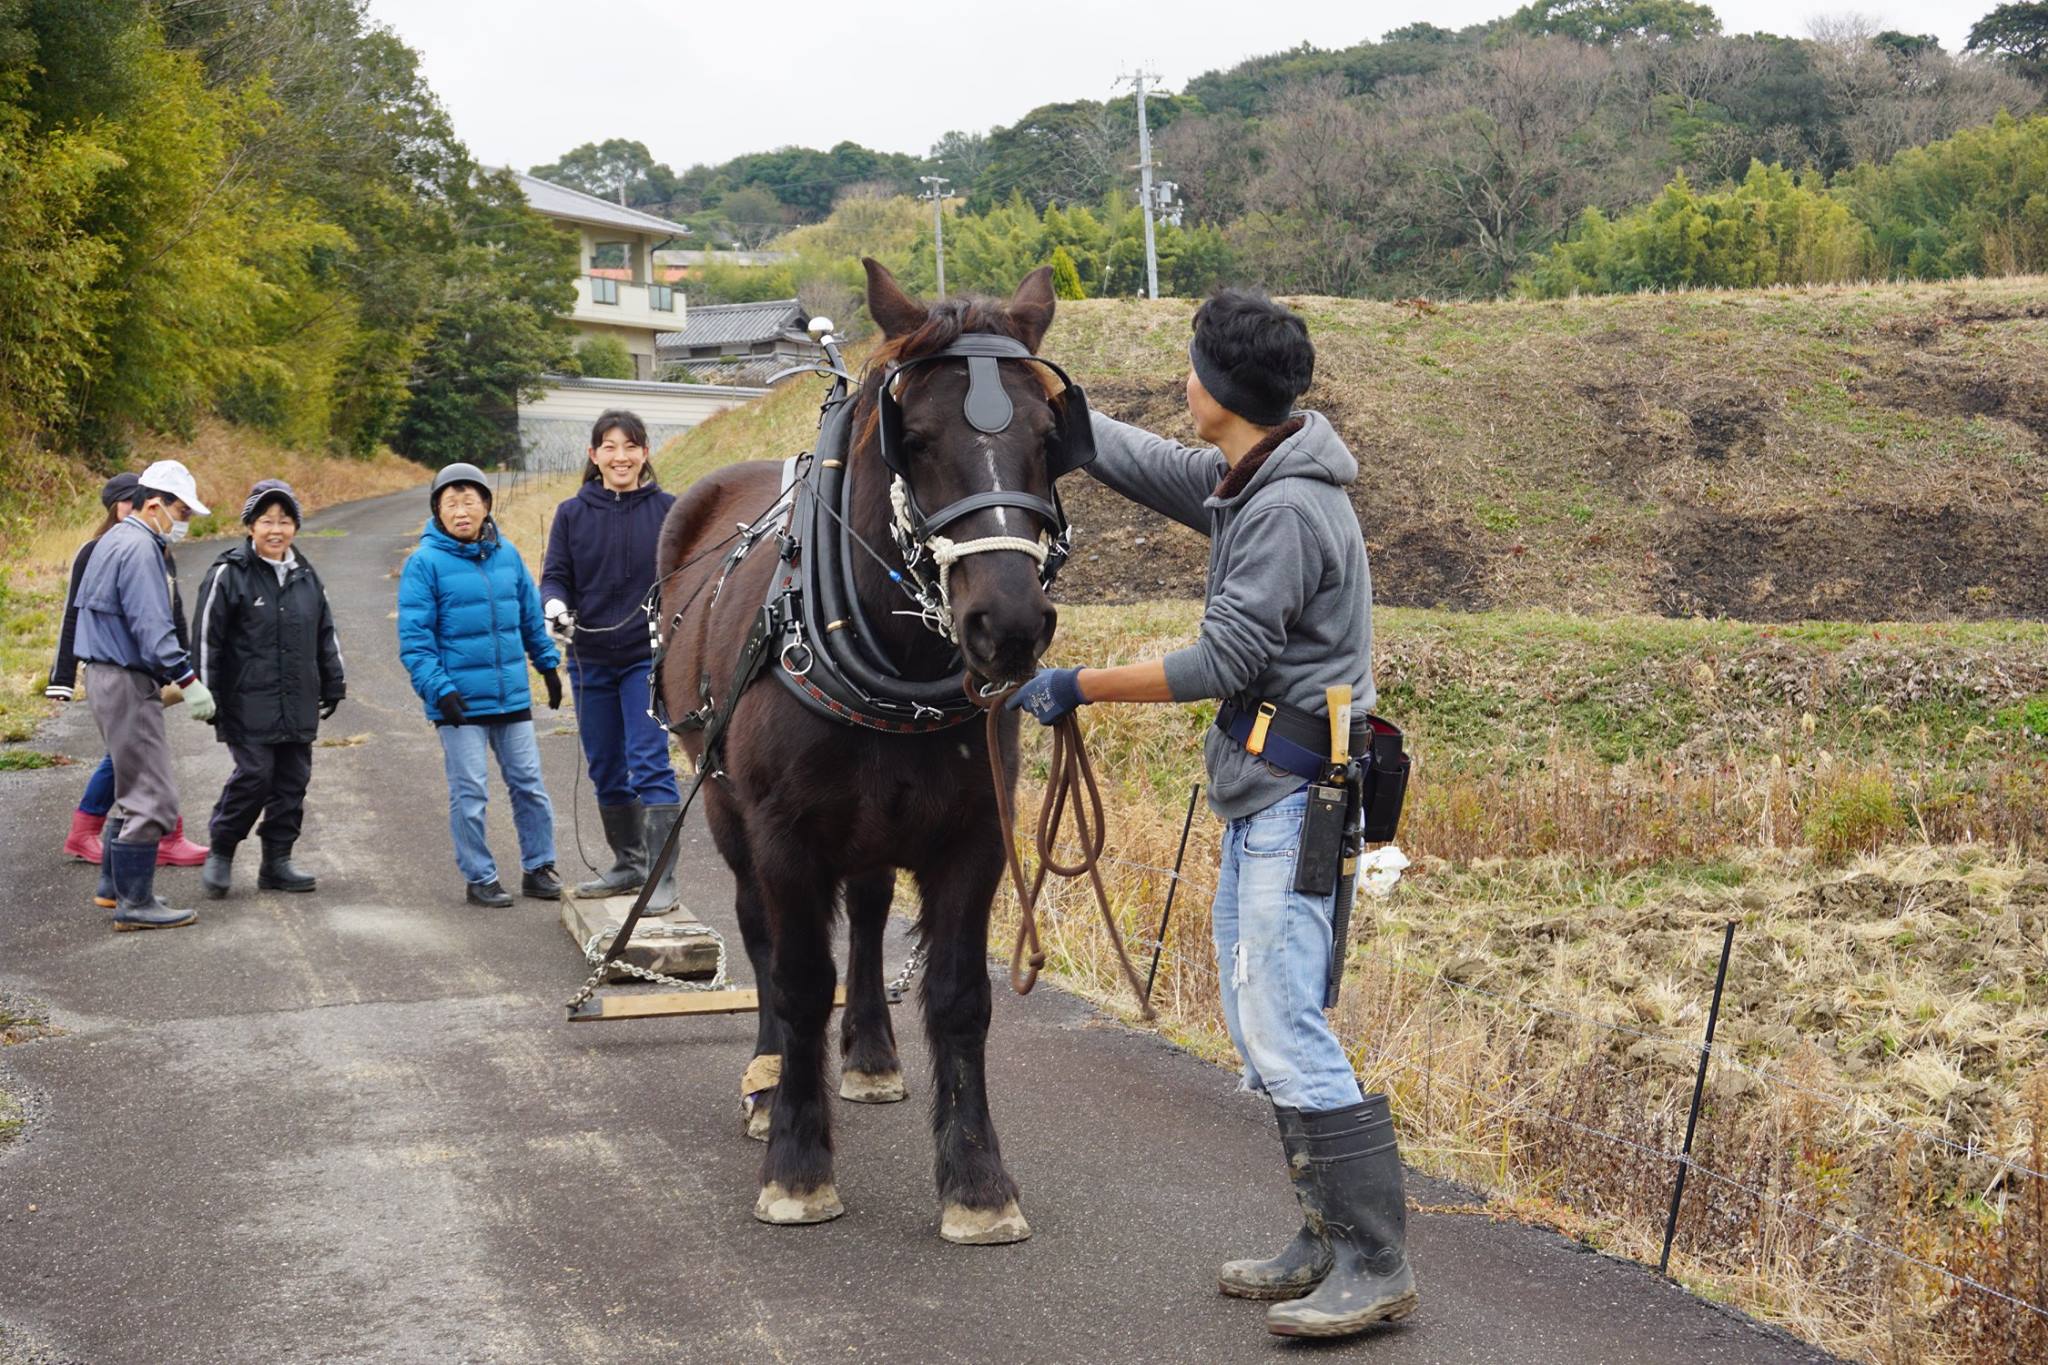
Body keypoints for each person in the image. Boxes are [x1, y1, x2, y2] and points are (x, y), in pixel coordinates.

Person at [1006, 290, 1415, 1339]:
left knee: (1284, 1024)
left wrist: (1078, 684)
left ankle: (1374, 1262)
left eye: (1190, 369)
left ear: (1222, 391)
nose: (1182, 384)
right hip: (1263, 795)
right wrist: (1074, 423)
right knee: (1260, 1023)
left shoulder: (1282, 508)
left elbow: (1222, 661)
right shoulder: (1259, 473)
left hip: (1290, 803)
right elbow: (1168, 471)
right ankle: (1324, 1237)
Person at [397, 462, 564, 907]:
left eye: (470, 500)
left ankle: (539, 866)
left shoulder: (507, 555)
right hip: (458, 703)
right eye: (450, 502)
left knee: (529, 784)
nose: (461, 510)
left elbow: (530, 617)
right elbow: (415, 641)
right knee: (470, 791)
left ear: (487, 505)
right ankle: (480, 876)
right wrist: (439, 690)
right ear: (437, 511)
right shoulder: (424, 564)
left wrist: (547, 666)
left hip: (510, 695)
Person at [539, 410, 683, 909]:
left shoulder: (669, 510)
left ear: (645, 453)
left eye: (630, 446)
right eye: (609, 446)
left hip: (646, 660)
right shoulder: (571, 513)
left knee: (648, 762)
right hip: (589, 659)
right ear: (593, 454)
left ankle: (663, 878)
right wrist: (554, 607)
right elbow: (555, 575)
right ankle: (628, 863)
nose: (620, 456)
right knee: (605, 766)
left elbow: (690, 579)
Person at [72, 459, 217, 931]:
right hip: (127, 679)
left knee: (132, 786)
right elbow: (152, 625)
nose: (184, 523)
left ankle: (114, 891)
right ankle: (137, 904)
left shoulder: (113, 540)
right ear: (155, 504)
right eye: (182, 512)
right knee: (154, 794)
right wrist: (190, 681)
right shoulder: (139, 549)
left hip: (103, 675)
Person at [193, 480, 346, 900]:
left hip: (297, 699)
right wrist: (206, 693)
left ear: (295, 526)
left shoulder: (306, 575)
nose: (275, 529)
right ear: (250, 526)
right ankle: (221, 849)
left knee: (292, 781)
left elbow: (325, 633)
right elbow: (207, 637)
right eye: (266, 521)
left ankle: (276, 862)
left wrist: (333, 681)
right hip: (246, 700)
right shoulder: (229, 573)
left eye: (284, 521)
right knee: (255, 775)